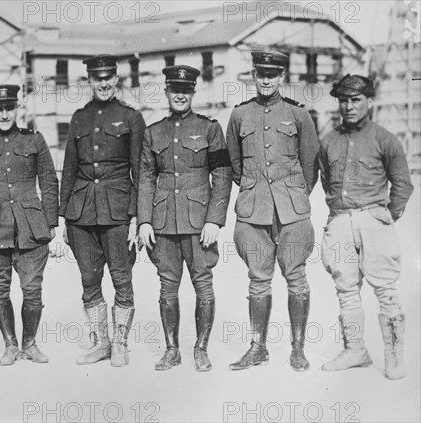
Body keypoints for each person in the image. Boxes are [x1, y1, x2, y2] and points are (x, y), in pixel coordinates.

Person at [225, 51, 319, 372]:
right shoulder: (240, 115)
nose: (266, 80)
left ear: (282, 77)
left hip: (292, 213)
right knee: (257, 281)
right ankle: (258, 347)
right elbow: (235, 165)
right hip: (254, 213)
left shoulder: (298, 114)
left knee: (296, 279)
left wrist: (294, 195)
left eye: (273, 74)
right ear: (253, 75)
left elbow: (310, 165)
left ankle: (297, 348)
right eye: (260, 73)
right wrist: (255, 192)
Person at [138, 65, 232, 372]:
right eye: (174, 90)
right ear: (166, 92)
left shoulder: (210, 128)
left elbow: (221, 174)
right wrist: (144, 221)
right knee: (167, 286)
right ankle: (171, 349)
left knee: (203, 284)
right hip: (163, 222)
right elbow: (146, 177)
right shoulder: (153, 132)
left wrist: (214, 220)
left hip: (199, 221)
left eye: (186, 90)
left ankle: (201, 348)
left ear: (193, 92)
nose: (180, 95)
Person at [319, 75, 414, 380]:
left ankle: (394, 354)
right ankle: (355, 351)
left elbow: (402, 184)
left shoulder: (385, 139)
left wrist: (384, 218)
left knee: (386, 289)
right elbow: (324, 180)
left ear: (369, 101)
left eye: (356, 100)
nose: (348, 106)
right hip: (340, 220)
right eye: (343, 100)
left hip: (374, 218)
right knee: (345, 289)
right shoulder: (329, 140)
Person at [59, 54, 145, 367]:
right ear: (90, 81)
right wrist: (61, 218)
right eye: (98, 78)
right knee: (88, 280)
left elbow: (141, 171)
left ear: (117, 79)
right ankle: (101, 343)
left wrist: (137, 216)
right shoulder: (79, 118)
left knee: (122, 280)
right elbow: (69, 168)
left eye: (109, 77)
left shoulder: (131, 117)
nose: (104, 83)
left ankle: (120, 343)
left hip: (119, 212)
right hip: (81, 213)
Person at [0, 84, 59, 366]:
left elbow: (49, 181)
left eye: (9, 108)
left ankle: (30, 343)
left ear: (18, 109)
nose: (4, 114)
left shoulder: (35, 140)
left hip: (32, 228)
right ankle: (10, 344)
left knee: (32, 289)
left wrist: (50, 222)